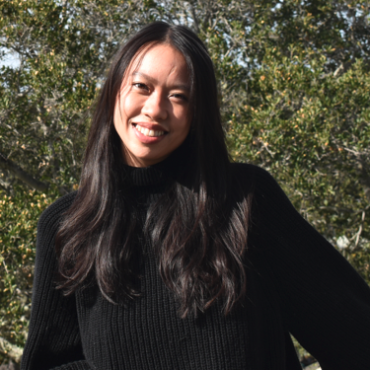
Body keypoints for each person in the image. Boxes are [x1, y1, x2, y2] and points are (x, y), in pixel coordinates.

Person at [21, 22, 370, 370]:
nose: (155, 109)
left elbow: (354, 331)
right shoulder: (68, 225)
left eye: (178, 96)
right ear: (114, 91)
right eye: (141, 86)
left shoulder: (244, 201)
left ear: (197, 114)